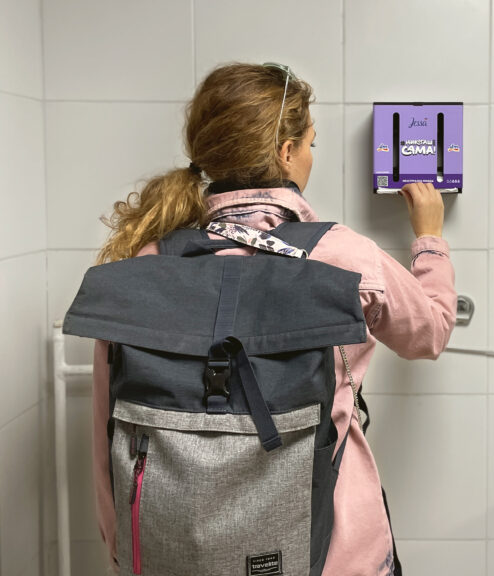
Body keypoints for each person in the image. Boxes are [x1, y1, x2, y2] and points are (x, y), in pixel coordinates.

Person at [91, 62, 456, 575]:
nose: (310, 155)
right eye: (310, 143)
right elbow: (430, 332)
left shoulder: (144, 268)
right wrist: (430, 237)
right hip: (335, 554)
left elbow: (108, 432)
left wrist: (124, 553)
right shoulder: (343, 256)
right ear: (286, 153)